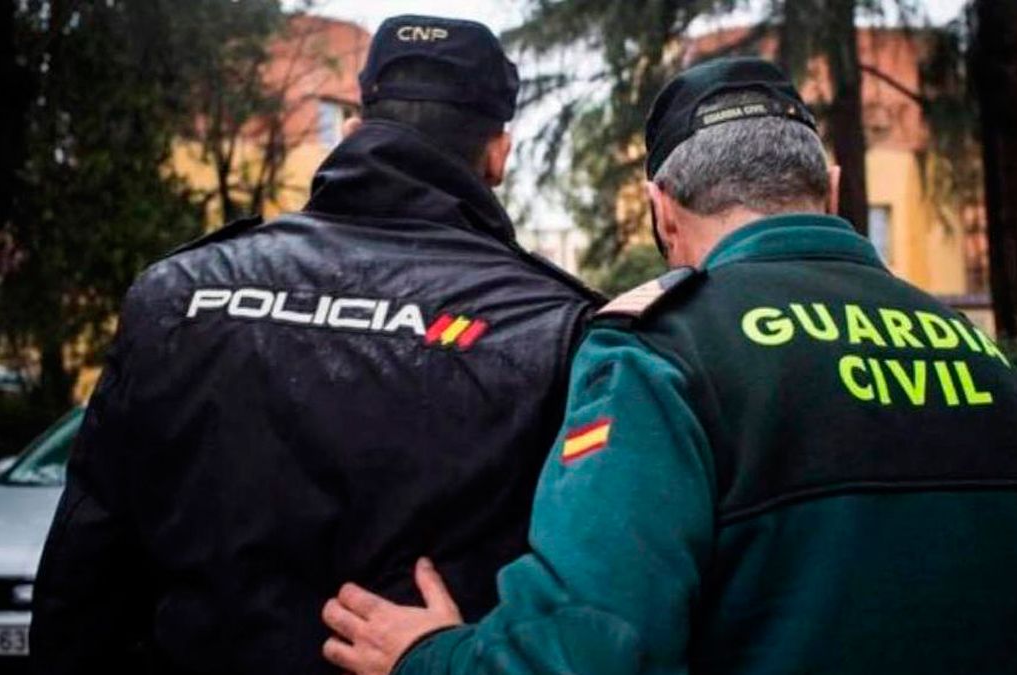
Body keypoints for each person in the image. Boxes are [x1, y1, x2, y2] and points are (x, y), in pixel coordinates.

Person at [319, 57, 1017, 675]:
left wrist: (429, 655)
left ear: (661, 207)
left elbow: (591, 649)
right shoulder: (996, 371)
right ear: (832, 188)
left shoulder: (659, 355)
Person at [31, 15, 600, 675]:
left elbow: (84, 578)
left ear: (355, 131)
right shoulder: (559, 326)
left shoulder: (175, 294)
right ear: (499, 153)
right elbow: (589, 611)